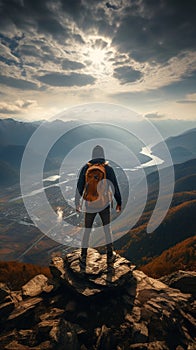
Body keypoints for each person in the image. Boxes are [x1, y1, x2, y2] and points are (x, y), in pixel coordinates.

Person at [75, 145, 122, 265]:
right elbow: (114, 186)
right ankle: (110, 255)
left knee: (87, 230)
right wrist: (119, 202)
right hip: (104, 204)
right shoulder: (108, 169)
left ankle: (84, 256)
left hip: (90, 204)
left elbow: (79, 186)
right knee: (107, 229)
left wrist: (78, 202)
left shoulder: (86, 168)